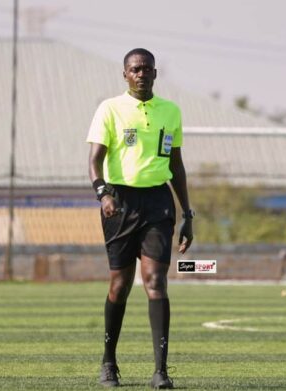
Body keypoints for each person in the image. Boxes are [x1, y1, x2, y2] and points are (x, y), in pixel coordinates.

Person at [87, 48, 193, 389]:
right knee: (119, 284)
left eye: (146, 68)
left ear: (155, 73)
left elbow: (176, 165)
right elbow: (93, 160)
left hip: (158, 203)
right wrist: (103, 194)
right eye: (135, 69)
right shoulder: (110, 109)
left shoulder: (170, 112)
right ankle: (108, 362)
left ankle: (160, 371)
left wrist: (187, 213)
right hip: (119, 203)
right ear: (125, 74)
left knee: (155, 281)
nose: (141, 73)